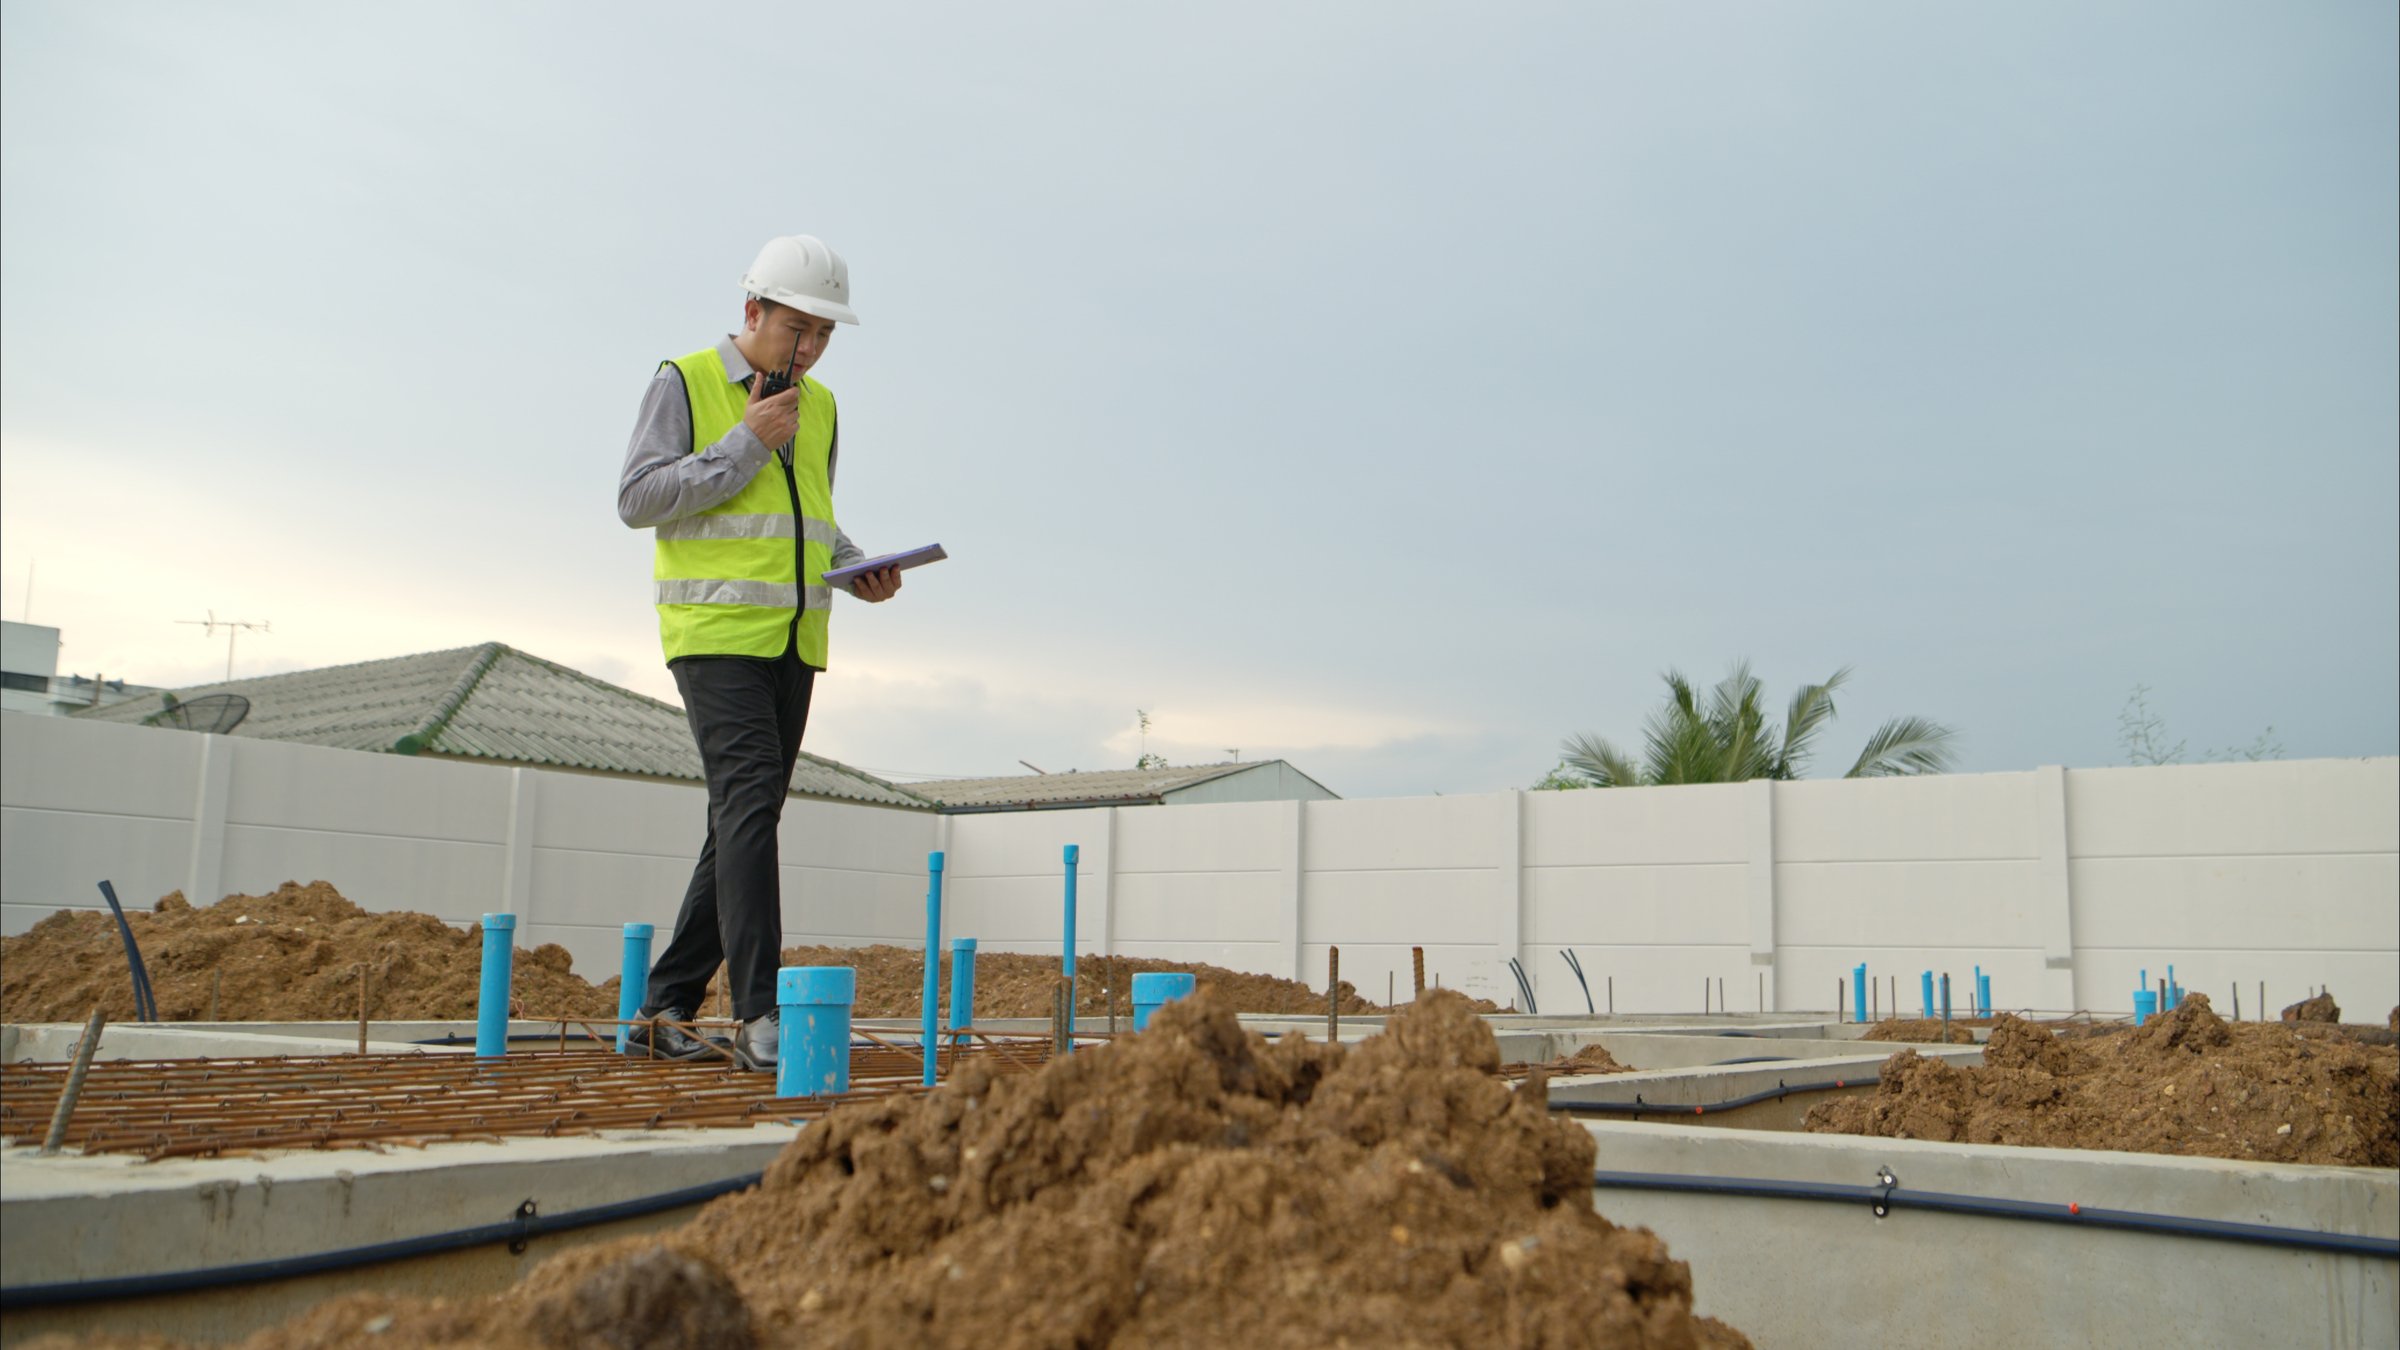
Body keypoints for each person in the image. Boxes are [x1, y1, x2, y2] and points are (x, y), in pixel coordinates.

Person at [614, 234, 900, 1071]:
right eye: (796, 330)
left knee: (745, 818)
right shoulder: (686, 381)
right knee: (744, 807)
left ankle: (663, 1007)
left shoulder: (825, 406)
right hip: (714, 636)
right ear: (753, 311)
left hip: (795, 637)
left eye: (823, 337)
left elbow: (808, 511)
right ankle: (761, 1013)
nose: (808, 350)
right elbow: (637, 498)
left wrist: (857, 567)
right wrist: (745, 441)